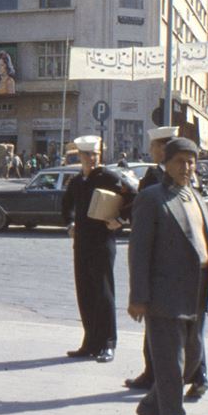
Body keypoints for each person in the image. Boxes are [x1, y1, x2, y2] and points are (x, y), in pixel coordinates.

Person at [128, 137, 208, 415]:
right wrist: (138, 296)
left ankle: (153, 405)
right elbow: (138, 251)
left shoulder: (195, 195)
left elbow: (205, 246)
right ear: (166, 163)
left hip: (197, 293)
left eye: (191, 161)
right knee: (170, 367)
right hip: (164, 297)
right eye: (180, 161)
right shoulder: (152, 198)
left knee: (192, 360)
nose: (187, 167)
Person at [61, 135, 136, 363]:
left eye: (94, 155)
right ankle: (90, 342)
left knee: (103, 293)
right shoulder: (76, 181)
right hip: (81, 243)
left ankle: (108, 343)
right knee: (85, 293)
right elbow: (66, 205)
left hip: (103, 242)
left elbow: (133, 196)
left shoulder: (108, 176)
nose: (90, 159)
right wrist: (70, 222)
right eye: (86, 155)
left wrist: (120, 220)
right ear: (80, 156)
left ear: (99, 156)